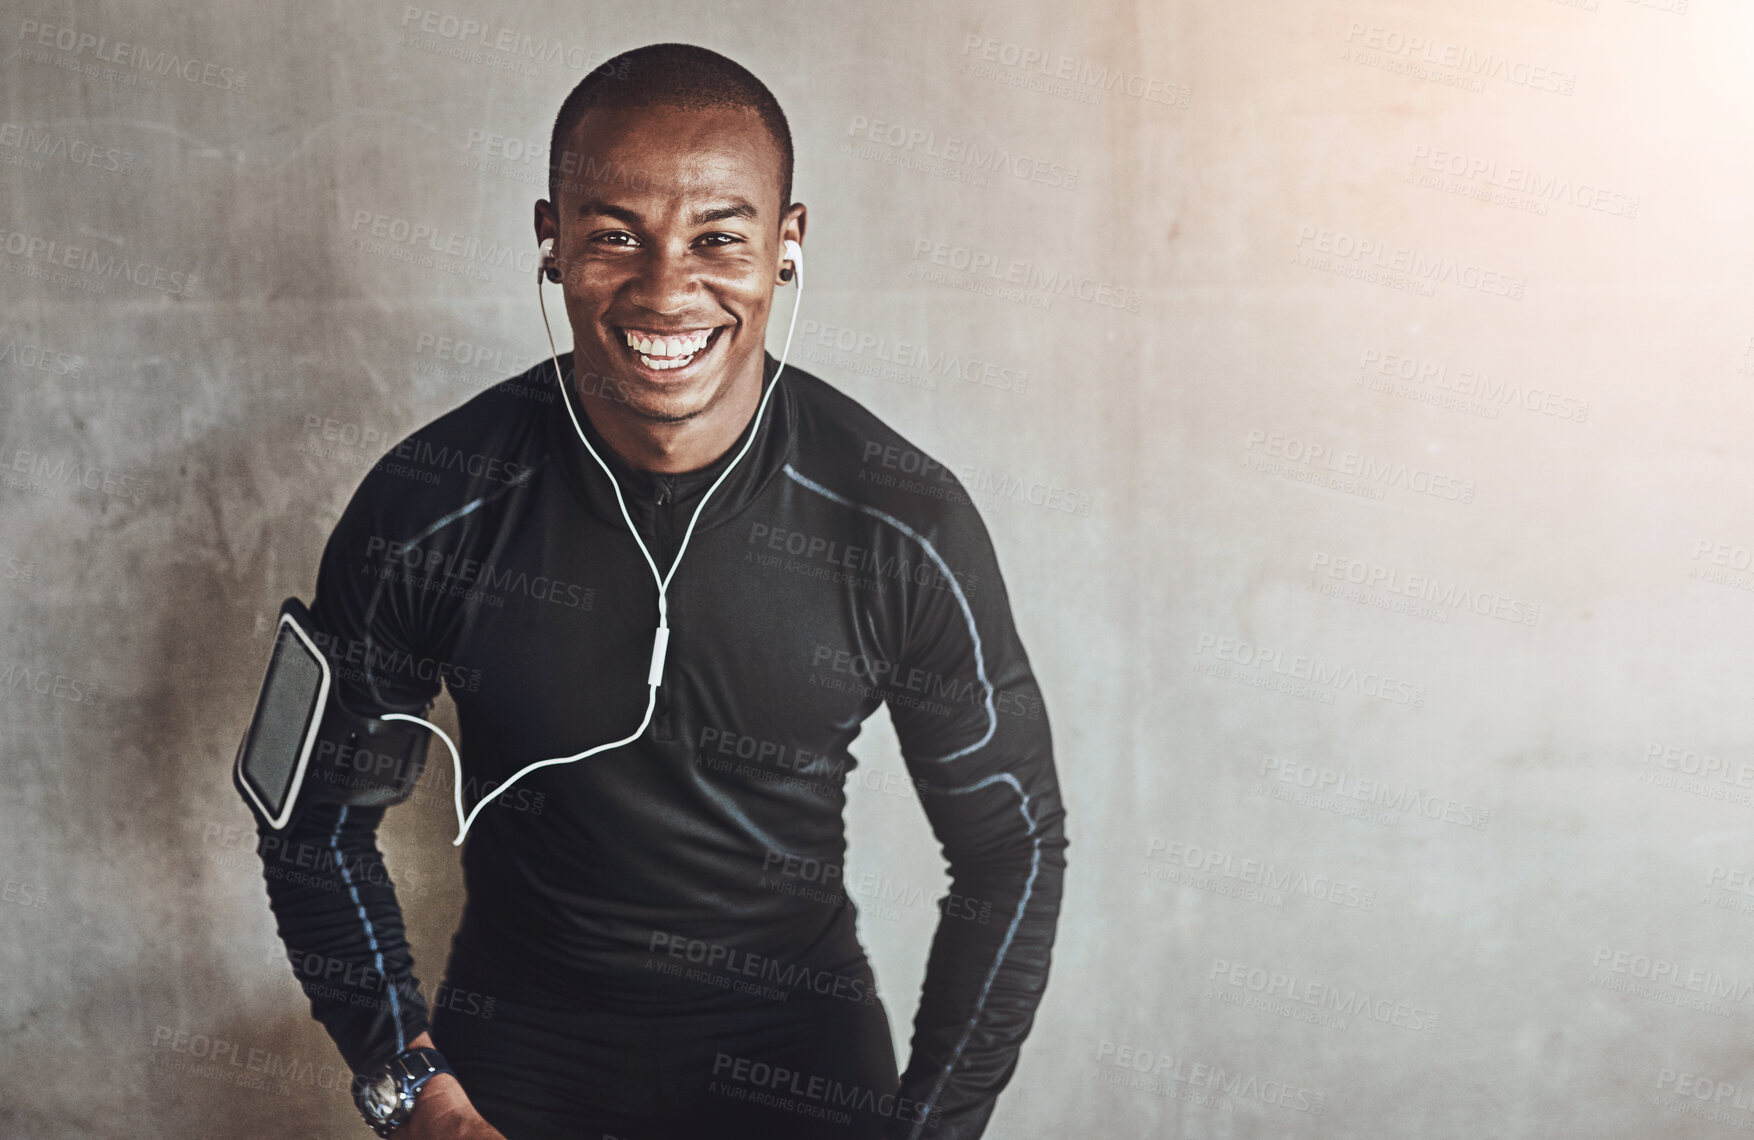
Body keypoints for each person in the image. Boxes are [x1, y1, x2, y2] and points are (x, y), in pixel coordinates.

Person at [251, 42, 1067, 1140]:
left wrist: (932, 1128)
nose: (666, 288)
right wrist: (418, 1099)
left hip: (801, 1064)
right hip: (512, 1064)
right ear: (551, 242)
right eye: (613, 236)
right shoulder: (425, 507)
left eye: (719, 237)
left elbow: (1010, 846)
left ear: (786, 247)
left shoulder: (899, 522)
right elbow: (312, 824)